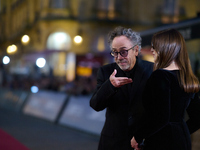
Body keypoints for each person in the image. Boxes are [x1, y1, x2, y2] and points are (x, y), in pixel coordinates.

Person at [131, 29, 200, 150]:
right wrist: (178, 133)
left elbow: (161, 117)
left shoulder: (160, 76)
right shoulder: (188, 78)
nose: (152, 49)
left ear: (167, 47)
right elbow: (198, 118)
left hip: (161, 142)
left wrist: (138, 136)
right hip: (183, 141)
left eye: (155, 46)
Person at [90, 26, 154, 150]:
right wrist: (110, 85)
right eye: (115, 52)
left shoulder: (152, 70)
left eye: (123, 51)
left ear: (136, 50)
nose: (119, 57)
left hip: (141, 142)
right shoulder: (106, 71)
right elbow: (95, 104)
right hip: (112, 143)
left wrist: (143, 136)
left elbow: (158, 110)